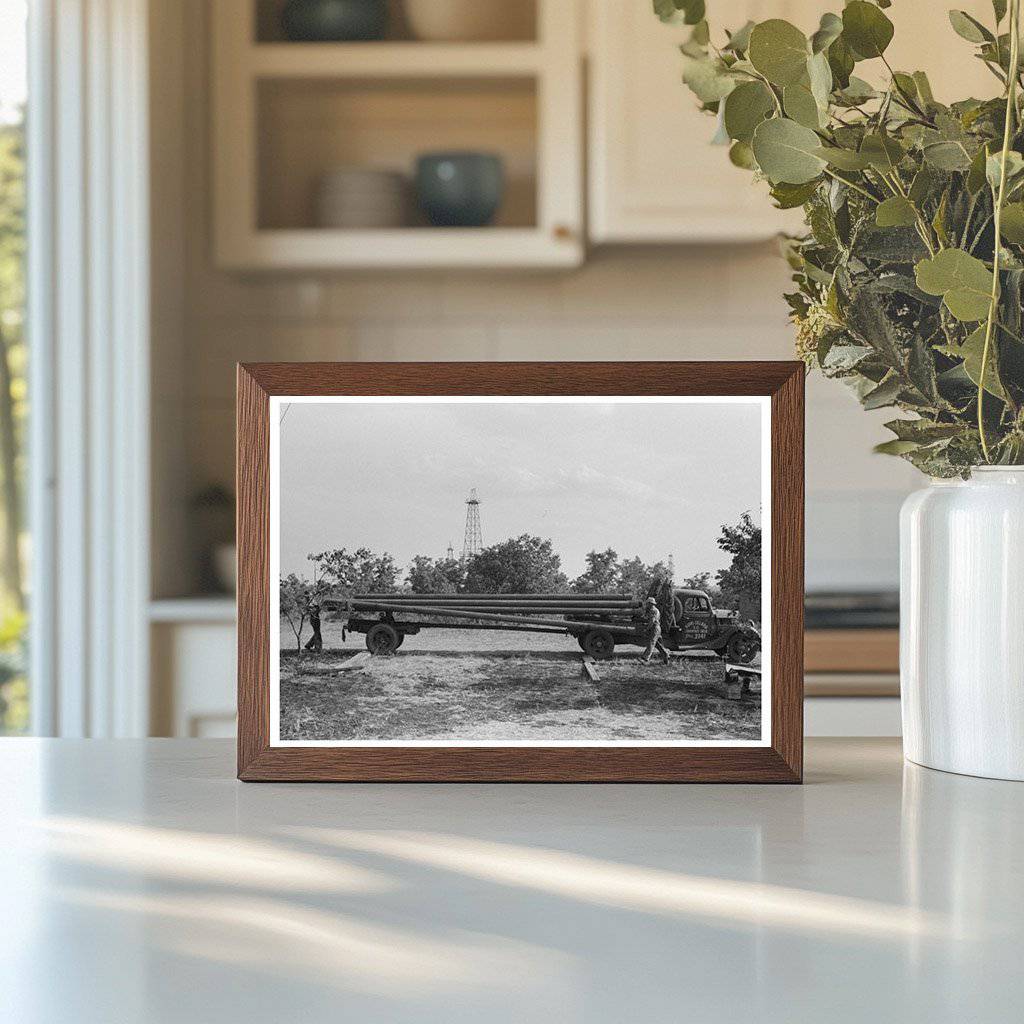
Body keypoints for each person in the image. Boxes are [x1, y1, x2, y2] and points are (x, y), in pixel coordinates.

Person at [640, 596, 670, 665]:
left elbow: (652, 621)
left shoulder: (654, 611)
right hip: (656, 628)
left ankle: (645, 659)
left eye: (648, 603)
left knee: (651, 643)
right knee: (658, 644)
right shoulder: (652, 610)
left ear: (651, 604)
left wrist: (647, 629)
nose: (647, 605)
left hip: (655, 628)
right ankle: (666, 655)